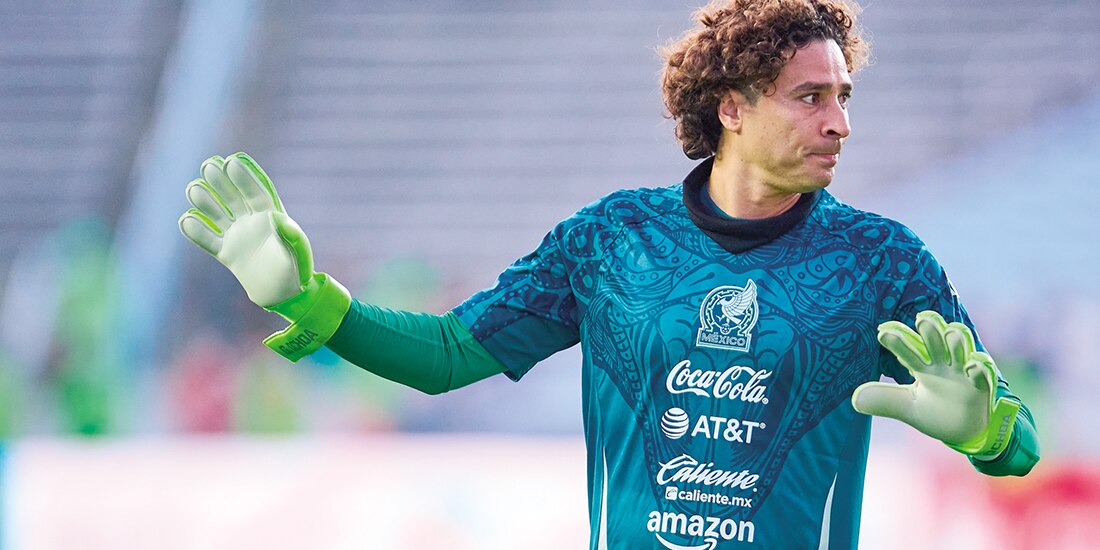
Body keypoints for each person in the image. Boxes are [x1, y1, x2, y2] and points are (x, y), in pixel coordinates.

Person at [178, 0, 1039, 547]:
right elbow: (447, 356)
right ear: (731, 107)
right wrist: (306, 298)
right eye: (811, 96)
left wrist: (987, 433)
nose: (841, 121)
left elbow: (1020, 442)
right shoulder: (612, 239)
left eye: (845, 95)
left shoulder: (882, 261)